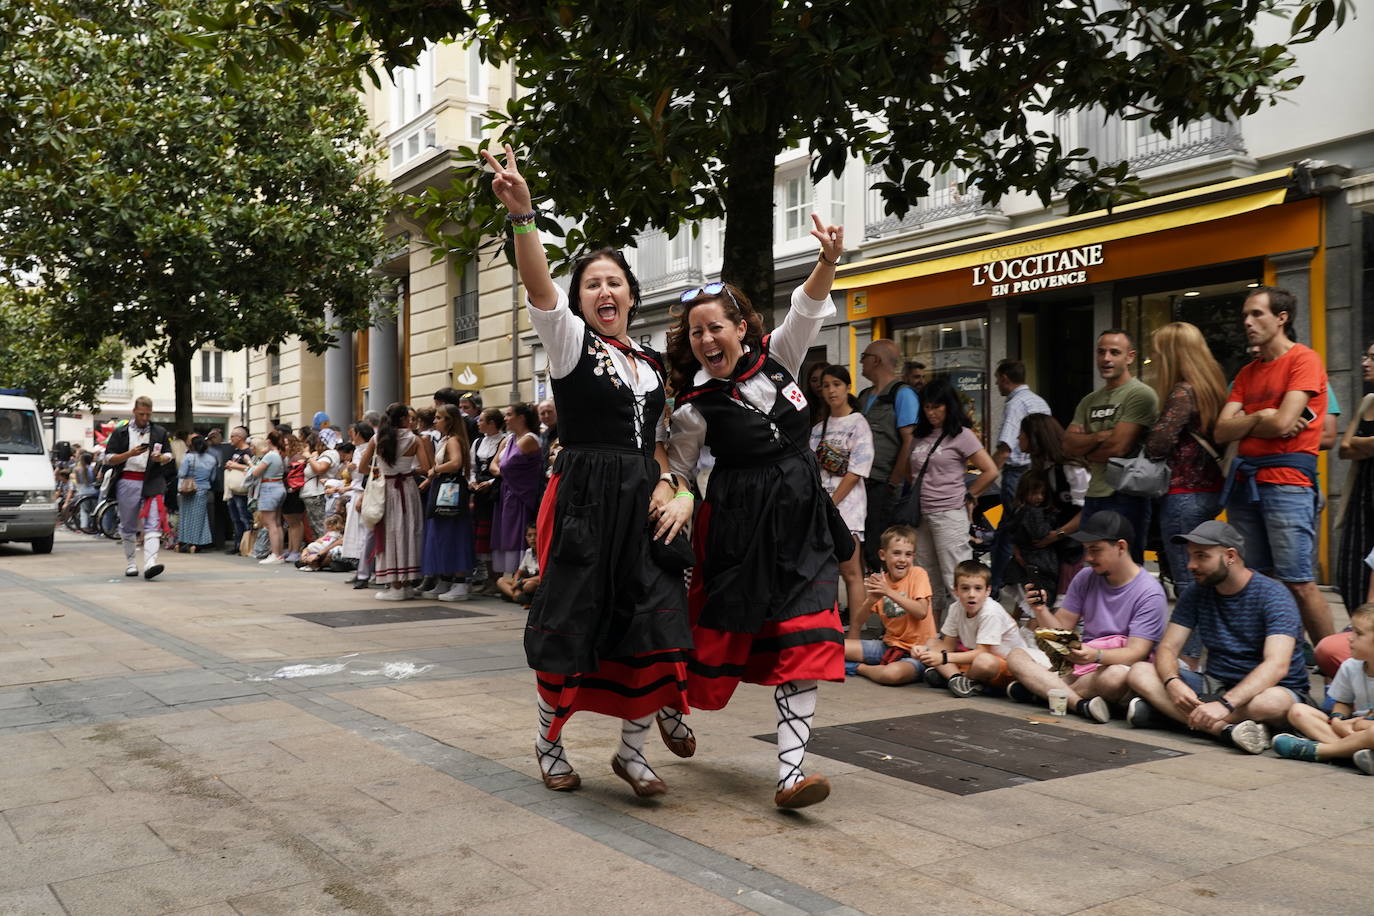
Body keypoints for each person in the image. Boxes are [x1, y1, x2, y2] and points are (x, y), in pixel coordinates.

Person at [485, 143, 694, 800]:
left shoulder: (654, 365)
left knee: (650, 622)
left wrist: (675, 486)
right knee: (573, 621)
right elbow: (539, 288)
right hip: (583, 500)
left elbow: (665, 446)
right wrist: (524, 218)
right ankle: (549, 741)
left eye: (615, 281)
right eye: (592, 283)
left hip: (640, 501)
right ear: (581, 299)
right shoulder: (571, 342)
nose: (605, 290)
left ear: (632, 293)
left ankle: (632, 754)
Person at [666, 212, 847, 809]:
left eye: (714, 327)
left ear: (741, 327)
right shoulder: (694, 405)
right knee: (717, 640)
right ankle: (667, 704)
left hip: (800, 522)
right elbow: (684, 471)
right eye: (696, 333)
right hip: (740, 529)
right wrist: (679, 501)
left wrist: (826, 261)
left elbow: (806, 309)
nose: (706, 340)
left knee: (806, 637)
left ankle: (790, 775)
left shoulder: (781, 359)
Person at [1214, 286, 1334, 644]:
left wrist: (1253, 419)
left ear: (1282, 318)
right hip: (1246, 482)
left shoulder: (1304, 360)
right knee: (1258, 579)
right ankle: (1285, 657)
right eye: (1245, 316)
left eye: (1257, 314)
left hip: (1288, 482)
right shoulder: (1248, 372)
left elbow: (1284, 424)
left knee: (1298, 581)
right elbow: (1222, 430)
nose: (1247, 322)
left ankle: (1336, 670)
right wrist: (1262, 415)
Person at [1125, 520, 1307, 754]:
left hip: (1271, 689)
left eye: (1201, 556)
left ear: (1230, 556)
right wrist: (1173, 683)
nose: (1191, 565)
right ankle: (1225, 731)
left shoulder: (1273, 595)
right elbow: (1168, 647)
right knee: (1140, 671)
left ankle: (1174, 718)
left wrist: (1225, 705)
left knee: (1271, 702)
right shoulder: (1196, 591)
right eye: (1190, 556)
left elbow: (1277, 665)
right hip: (1215, 684)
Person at [1006, 511, 1167, 722]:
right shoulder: (1085, 577)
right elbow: (1061, 629)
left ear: (1121, 547)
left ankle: (1043, 691)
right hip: (1082, 663)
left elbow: (1136, 653)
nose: (1088, 558)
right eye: (1086, 550)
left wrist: (1095, 655)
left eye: (1095, 550)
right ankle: (1079, 704)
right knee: (1016, 656)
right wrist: (1041, 610)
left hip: (1112, 665)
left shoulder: (1149, 592)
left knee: (1116, 676)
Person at [904, 376, 1000, 614]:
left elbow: (990, 471)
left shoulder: (962, 434)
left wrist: (969, 495)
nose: (931, 412)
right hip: (921, 515)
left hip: (949, 513)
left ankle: (963, 637)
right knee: (926, 579)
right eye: (926, 407)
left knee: (956, 579)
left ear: (949, 405)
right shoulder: (919, 435)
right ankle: (933, 633)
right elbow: (910, 471)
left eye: (936, 406)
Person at [1143, 321, 1227, 592]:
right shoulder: (1212, 389)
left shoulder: (1182, 391)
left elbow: (1158, 443)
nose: (1154, 359)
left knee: (1188, 580)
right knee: (1208, 576)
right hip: (1212, 491)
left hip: (1182, 495)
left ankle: (1194, 634)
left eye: (1158, 352)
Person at [1063, 329, 1159, 563]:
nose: (1106, 358)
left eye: (1114, 352)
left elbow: (1118, 447)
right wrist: (1098, 438)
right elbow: (1067, 446)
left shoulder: (1141, 394)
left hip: (1127, 493)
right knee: (1093, 563)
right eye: (1101, 352)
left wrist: (1086, 450)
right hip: (1094, 493)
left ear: (1130, 357)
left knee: (1125, 566)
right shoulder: (1089, 400)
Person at [914, 560, 1046, 697]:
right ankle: (957, 679)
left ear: (987, 591)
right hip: (976, 659)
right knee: (931, 643)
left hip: (1006, 664)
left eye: (978, 588)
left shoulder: (991, 612)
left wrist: (943, 658)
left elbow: (981, 652)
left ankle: (960, 679)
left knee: (982, 662)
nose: (971, 594)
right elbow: (947, 646)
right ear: (956, 590)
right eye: (965, 588)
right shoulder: (955, 608)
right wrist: (924, 651)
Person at [808, 364, 874, 625]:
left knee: (850, 570)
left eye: (836, 384)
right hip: (823, 506)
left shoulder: (859, 424)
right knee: (826, 570)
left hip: (848, 507)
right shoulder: (818, 429)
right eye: (826, 386)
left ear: (847, 387)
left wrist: (830, 504)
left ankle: (857, 631)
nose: (831, 390)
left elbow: (856, 471)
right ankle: (830, 627)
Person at [1274, 603, 1374, 770]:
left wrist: (1360, 725)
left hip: (1365, 729)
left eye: (1358, 633)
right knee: (1298, 711)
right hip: (1352, 729)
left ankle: (1321, 750)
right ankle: (1354, 753)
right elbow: (1343, 702)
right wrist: (1337, 720)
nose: (1349, 638)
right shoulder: (1350, 666)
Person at [988, 359, 1050, 593]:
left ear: (1005, 378)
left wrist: (989, 477)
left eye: (997, 379)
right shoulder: (1039, 401)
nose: (996, 384)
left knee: (1008, 533)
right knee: (1025, 530)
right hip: (1038, 472)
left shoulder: (1015, 404)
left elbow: (1005, 447)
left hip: (1017, 474)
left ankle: (996, 586)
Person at [843, 525, 934, 685]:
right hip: (888, 646)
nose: (902, 559)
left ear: (913, 557)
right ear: (883, 555)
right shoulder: (882, 581)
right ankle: (854, 665)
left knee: (892, 674)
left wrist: (889, 592)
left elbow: (921, 611)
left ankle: (857, 668)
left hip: (918, 652)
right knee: (832, 648)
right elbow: (858, 621)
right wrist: (872, 599)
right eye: (896, 553)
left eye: (908, 554)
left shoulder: (918, 574)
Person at [358, 402, 431, 600]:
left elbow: (362, 467)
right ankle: (406, 583)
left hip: (387, 489)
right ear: (403, 419)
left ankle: (395, 585)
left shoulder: (378, 438)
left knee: (391, 534)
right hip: (407, 488)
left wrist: (380, 470)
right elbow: (425, 467)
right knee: (409, 532)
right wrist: (407, 470)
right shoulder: (414, 439)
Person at [857, 339, 919, 572]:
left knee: (880, 545)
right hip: (861, 482)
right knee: (864, 545)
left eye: (864, 356)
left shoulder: (902, 394)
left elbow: (909, 441)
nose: (861, 361)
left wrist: (894, 481)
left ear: (876, 360)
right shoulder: (863, 396)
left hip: (883, 484)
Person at [103, 397, 175, 579]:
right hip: (127, 480)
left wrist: (161, 459)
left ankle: (151, 562)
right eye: (141, 414)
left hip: (152, 480)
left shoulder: (159, 431)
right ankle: (131, 563)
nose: (145, 418)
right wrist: (129, 454)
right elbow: (108, 458)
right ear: (134, 411)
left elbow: (169, 455)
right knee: (128, 524)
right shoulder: (120, 432)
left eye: (148, 414)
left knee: (153, 521)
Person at [419, 403, 476, 601]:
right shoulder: (447, 439)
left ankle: (460, 582)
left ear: (449, 421)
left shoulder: (453, 440)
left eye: (439, 418)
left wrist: (435, 470)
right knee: (442, 533)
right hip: (443, 487)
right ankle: (446, 578)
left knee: (452, 532)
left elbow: (456, 463)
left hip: (449, 488)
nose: (435, 421)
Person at [1334, 344, 1374, 617]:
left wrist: (1360, 444)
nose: (1364, 362)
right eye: (1366, 355)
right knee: (1351, 570)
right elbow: (1344, 448)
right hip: (1362, 496)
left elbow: (1352, 445)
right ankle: (1359, 634)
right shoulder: (1367, 401)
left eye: (1373, 358)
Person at [490, 402, 544, 584]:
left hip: (521, 494)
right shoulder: (508, 439)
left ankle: (520, 577)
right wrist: (500, 471)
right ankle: (510, 578)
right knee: (506, 532)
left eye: (509, 414)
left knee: (518, 533)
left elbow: (504, 465)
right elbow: (494, 465)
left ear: (521, 417)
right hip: (508, 491)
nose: (505, 418)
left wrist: (500, 470)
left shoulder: (529, 439)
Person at [469, 407, 507, 594]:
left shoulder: (503, 441)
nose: (478, 422)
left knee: (493, 536)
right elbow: (471, 467)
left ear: (492, 423)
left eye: (482, 420)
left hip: (495, 493)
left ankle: (497, 579)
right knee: (482, 539)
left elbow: (504, 467)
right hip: (479, 494)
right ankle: (489, 578)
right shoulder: (477, 442)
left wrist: (491, 482)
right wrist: (472, 482)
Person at [339, 421, 375, 588]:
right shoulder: (358, 450)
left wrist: (354, 468)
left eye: (353, 432)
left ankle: (366, 571)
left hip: (363, 492)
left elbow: (365, 471)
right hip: (357, 491)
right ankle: (362, 569)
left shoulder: (368, 448)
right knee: (358, 534)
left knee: (365, 535)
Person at [252, 429, 288, 565]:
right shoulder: (279, 455)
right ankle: (279, 554)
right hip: (279, 487)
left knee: (270, 523)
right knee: (277, 523)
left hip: (269, 488)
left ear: (268, 441)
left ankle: (275, 554)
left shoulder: (270, 456)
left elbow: (256, 472)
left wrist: (250, 464)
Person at [176, 434, 218, 552]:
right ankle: (196, 543)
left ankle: (184, 541)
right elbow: (213, 478)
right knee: (200, 518)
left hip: (188, 490)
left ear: (192, 445)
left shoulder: (189, 457)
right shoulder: (212, 459)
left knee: (185, 517)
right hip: (203, 489)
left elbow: (182, 474)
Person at [300, 432, 339, 547]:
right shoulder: (323, 455)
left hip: (318, 494)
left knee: (320, 526)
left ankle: (323, 552)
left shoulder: (329, 453)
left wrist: (308, 457)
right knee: (316, 526)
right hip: (314, 494)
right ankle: (319, 553)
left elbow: (320, 469)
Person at [222, 427, 254, 554]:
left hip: (242, 491)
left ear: (240, 437)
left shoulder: (249, 451)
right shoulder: (235, 451)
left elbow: (252, 468)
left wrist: (235, 466)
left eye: (232, 436)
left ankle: (246, 545)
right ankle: (238, 544)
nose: (231, 439)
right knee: (235, 518)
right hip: (232, 490)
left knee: (244, 517)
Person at [496, 523, 541, 605]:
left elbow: (543, 576)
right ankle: (519, 597)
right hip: (523, 582)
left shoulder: (545, 553)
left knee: (529, 586)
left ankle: (516, 597)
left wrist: (521, 581)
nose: (533, 538)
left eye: (536, 535)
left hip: (534, 582)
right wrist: (515, 584)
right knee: (501, 581)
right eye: (529, 535)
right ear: (526, 538)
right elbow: (518, 572)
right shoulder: (528, 552)